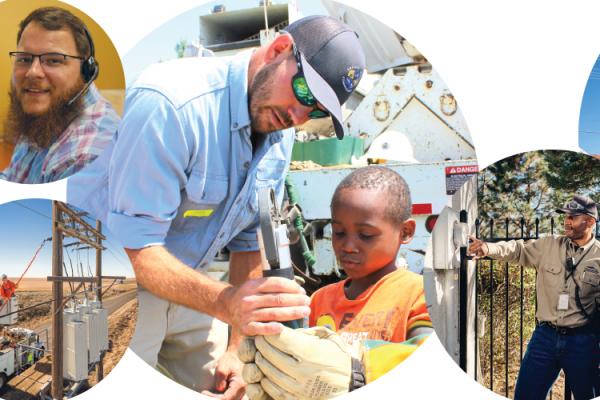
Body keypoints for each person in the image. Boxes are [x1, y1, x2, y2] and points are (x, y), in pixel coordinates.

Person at [66, 15, 366, 398]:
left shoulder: (279, 130)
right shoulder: (172, 105)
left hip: (187, 281)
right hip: (113, 283)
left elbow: (247, 242)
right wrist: (227, 305)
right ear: (279, 50)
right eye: (306, 94)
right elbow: (133, 247)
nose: (299, 116)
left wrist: (237, 348)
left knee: (236, 388)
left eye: (317, 111)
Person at [240, 166, 433, 399]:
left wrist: (359, 369)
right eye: (339, 232)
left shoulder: (419, 294)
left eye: (366, 235)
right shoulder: (321, 299)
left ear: (405, 232)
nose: (348, 245)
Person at [469, 195, 600, 400]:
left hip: (582, 341)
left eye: (573, 217)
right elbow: (518, 250)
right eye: (565, 216)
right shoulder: (548, 245)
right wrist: (488, 248)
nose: (567, 221)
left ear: (590, 221)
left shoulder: (598, 256)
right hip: (545, 338)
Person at [1, 6, 120, 183]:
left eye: (54, 60)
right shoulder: (43, 115)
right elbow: (12, 177)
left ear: (86, 71)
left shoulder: (84, 157)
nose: (33, 72)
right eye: (24, 59)